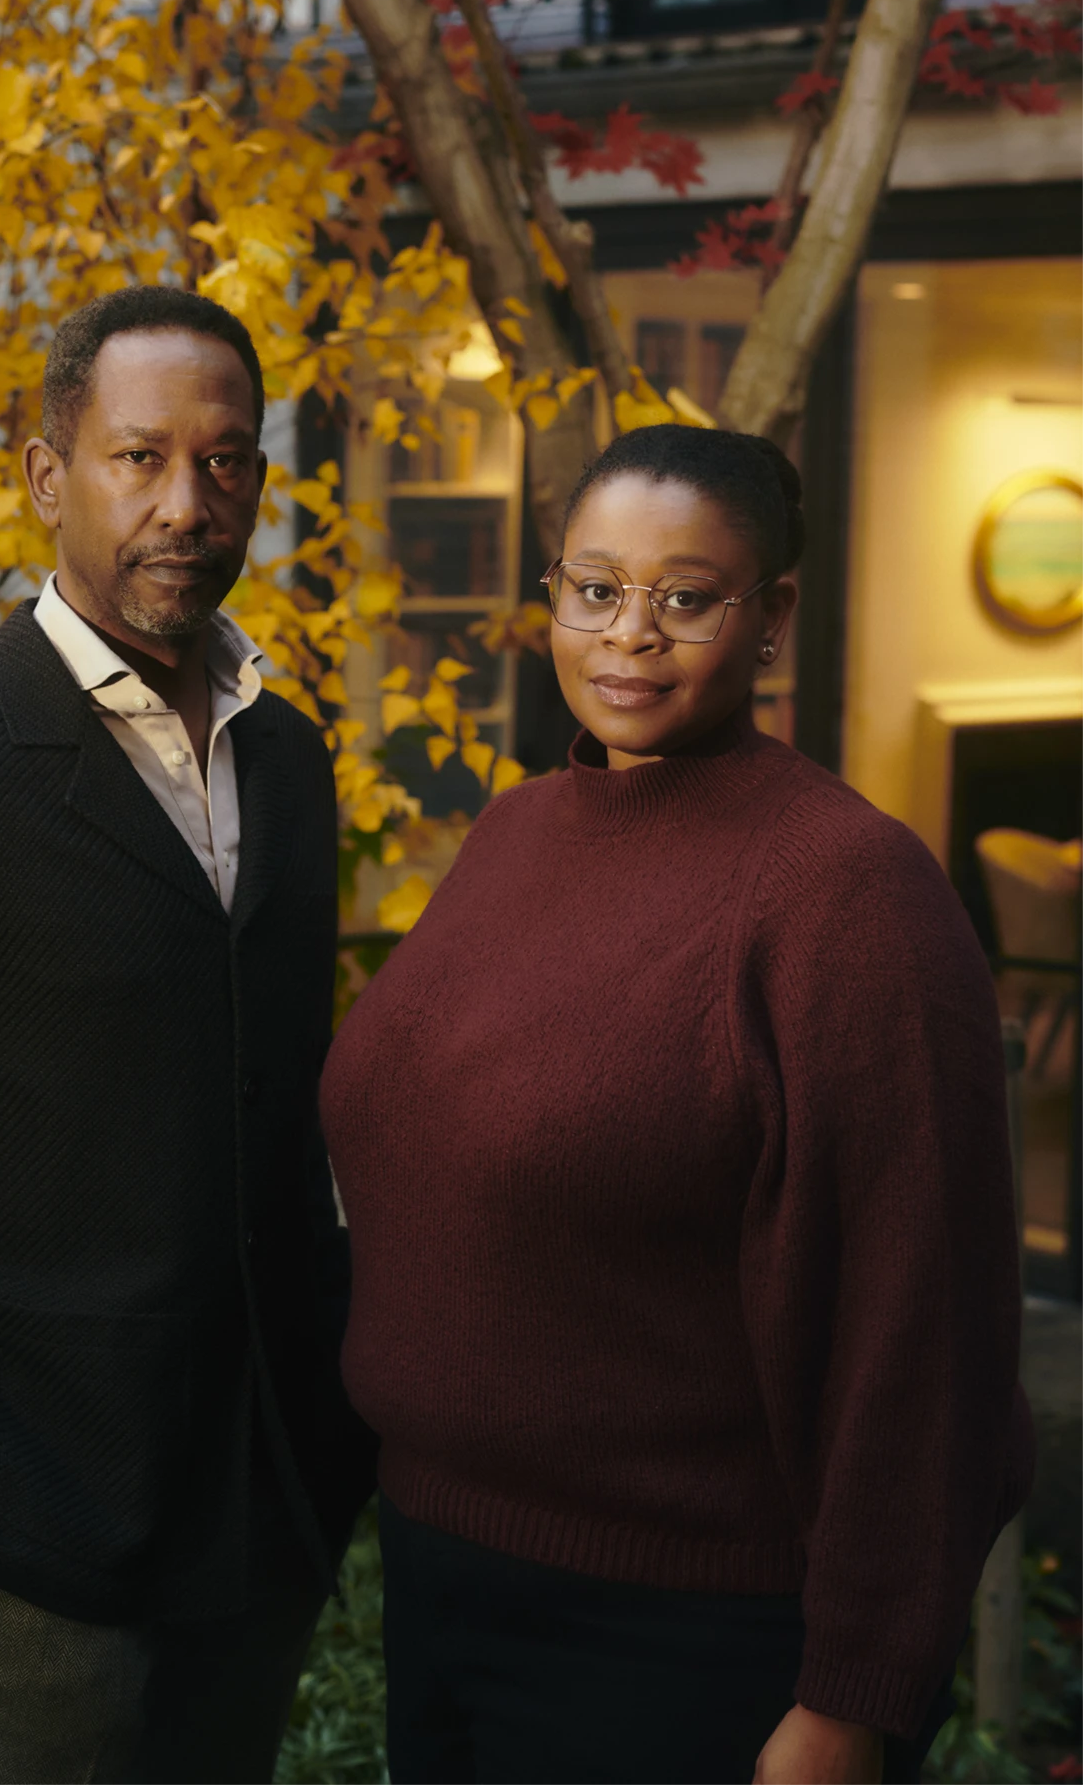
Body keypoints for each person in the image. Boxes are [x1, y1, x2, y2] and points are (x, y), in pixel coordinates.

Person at [319, 424, 1033, 1785]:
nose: (628, 636)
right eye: (594, 589)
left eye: (684, 598)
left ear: (768, 617)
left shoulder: (847, 896)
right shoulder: (520, 832)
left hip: (684, 1635)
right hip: (438, 1578)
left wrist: (855, 1697)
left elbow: (919, 1332)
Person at [0, 285, 372, 1784]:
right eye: (138, 458)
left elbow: (283, 1111)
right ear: (49, 478)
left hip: (260, 1508)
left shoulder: (287, 758)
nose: (186, 503)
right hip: (27, 1540)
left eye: (224, 464)